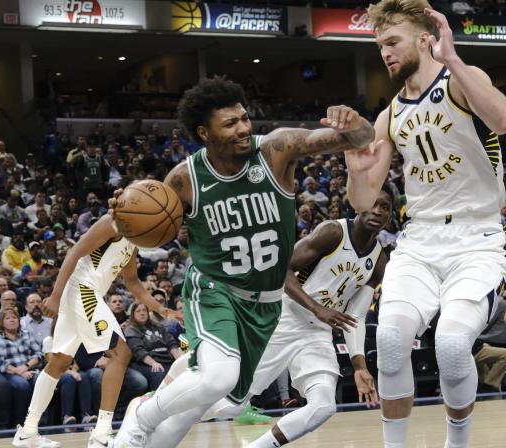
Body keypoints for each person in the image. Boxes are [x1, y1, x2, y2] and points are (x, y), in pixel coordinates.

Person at [114, 75, 374, 448]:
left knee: (215, 400)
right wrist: (122, 214)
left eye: (244, 118)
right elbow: (134, 226)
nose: (243, 128)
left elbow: (360, 138)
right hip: (215, 290)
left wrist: (355, 122)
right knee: (217, 378)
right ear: (204, 132)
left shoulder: (276, 149)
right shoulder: (185, 180)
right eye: (230, 123)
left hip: (265, 303)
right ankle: (141, 416)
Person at [343, 1, 506, 446]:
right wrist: (355, 170)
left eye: (392, 42)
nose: (385, 53)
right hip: (420, 239)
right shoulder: (389, 115)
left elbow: (504, 120)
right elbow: (362, 201)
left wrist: (452, 58)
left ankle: (456, 443)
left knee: (453, 346)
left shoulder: (461, 79)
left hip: (476, 238)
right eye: (380, 46)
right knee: (391, 339)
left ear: (424, 40)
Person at [142, 189, 393, 447]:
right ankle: (153, 407)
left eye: (385, 207)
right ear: (358, 203)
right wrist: (317, 308)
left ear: (390, 216)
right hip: (283, 318)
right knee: (227, 405)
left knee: (323, 406)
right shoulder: (334, 232)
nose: (377, 211)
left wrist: (360, 366)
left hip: (317, 334)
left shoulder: (378, 261)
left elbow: (355, 317)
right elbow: (282, 271)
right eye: (373, 203)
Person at [12, 213, 177, 448]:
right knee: (121, 353)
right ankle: (101, 433)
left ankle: (27, 432)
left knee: (58, 362)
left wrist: (162, 309)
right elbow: (74, 252)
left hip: (82, 294)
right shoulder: (112, 223)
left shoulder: (132, 242)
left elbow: (133, 283)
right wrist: (55, 295)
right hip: (82, 290)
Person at [124, 302, 184, 391]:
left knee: (180, 370)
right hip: (145, 363)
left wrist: (179, 361)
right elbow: (139, 351)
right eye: (138, 311)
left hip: (166, 360)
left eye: (144, 310)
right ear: (133, 314)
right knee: (158, 371)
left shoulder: (158, 326)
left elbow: (171, 343)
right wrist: (153, 363)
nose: (142, 313)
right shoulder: (131, 329)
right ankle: (157, 397)